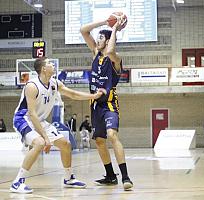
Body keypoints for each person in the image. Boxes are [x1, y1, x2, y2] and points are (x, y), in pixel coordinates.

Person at [10, 57, 105, 194]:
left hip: (39, 120)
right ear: (43, 69)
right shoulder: (32, 86)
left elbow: (72, 94)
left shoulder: (55, 83)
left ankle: (68, 178)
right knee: (39, 143)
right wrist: (46, 138)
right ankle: (18, 181)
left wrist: (93, 96)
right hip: (23, 119)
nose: (53, 65)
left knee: (65, 144)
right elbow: (32, 114)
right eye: (49, 63)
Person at [80, 16, 133, 190]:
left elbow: (110, 52)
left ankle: (125, 177)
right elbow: (83, 30)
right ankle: (110, 175)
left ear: (109, 40)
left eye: (101, 37)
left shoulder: (115, 60)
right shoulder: (96, 53)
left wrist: (115, 29)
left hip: (109, 104)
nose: (97, 40)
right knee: (100, 141)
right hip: (96, 106)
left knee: (112, 135)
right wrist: (104, 22)